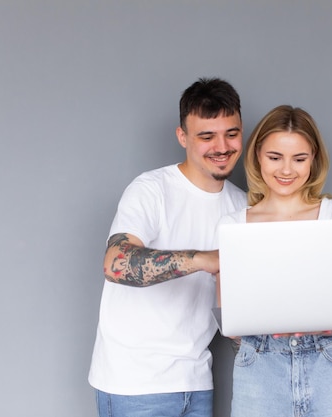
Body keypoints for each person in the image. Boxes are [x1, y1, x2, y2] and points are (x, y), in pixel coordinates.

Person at [89, 77, 247, 417]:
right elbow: (116, 263)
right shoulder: (151, 189)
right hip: (135, 385)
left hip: (197, 382)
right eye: (207, 136)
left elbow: (237, 309)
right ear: (183, 137)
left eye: (231, 133)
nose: (222, 146)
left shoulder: (244, 207)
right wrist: (205, 259)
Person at [217, 105, 332, 417]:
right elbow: (226, 313)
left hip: (331, 359)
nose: (287, 170)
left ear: (314, 160)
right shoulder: (233, 224)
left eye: (299, 159)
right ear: (258, 155)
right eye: (275, 157)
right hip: (260, 364)